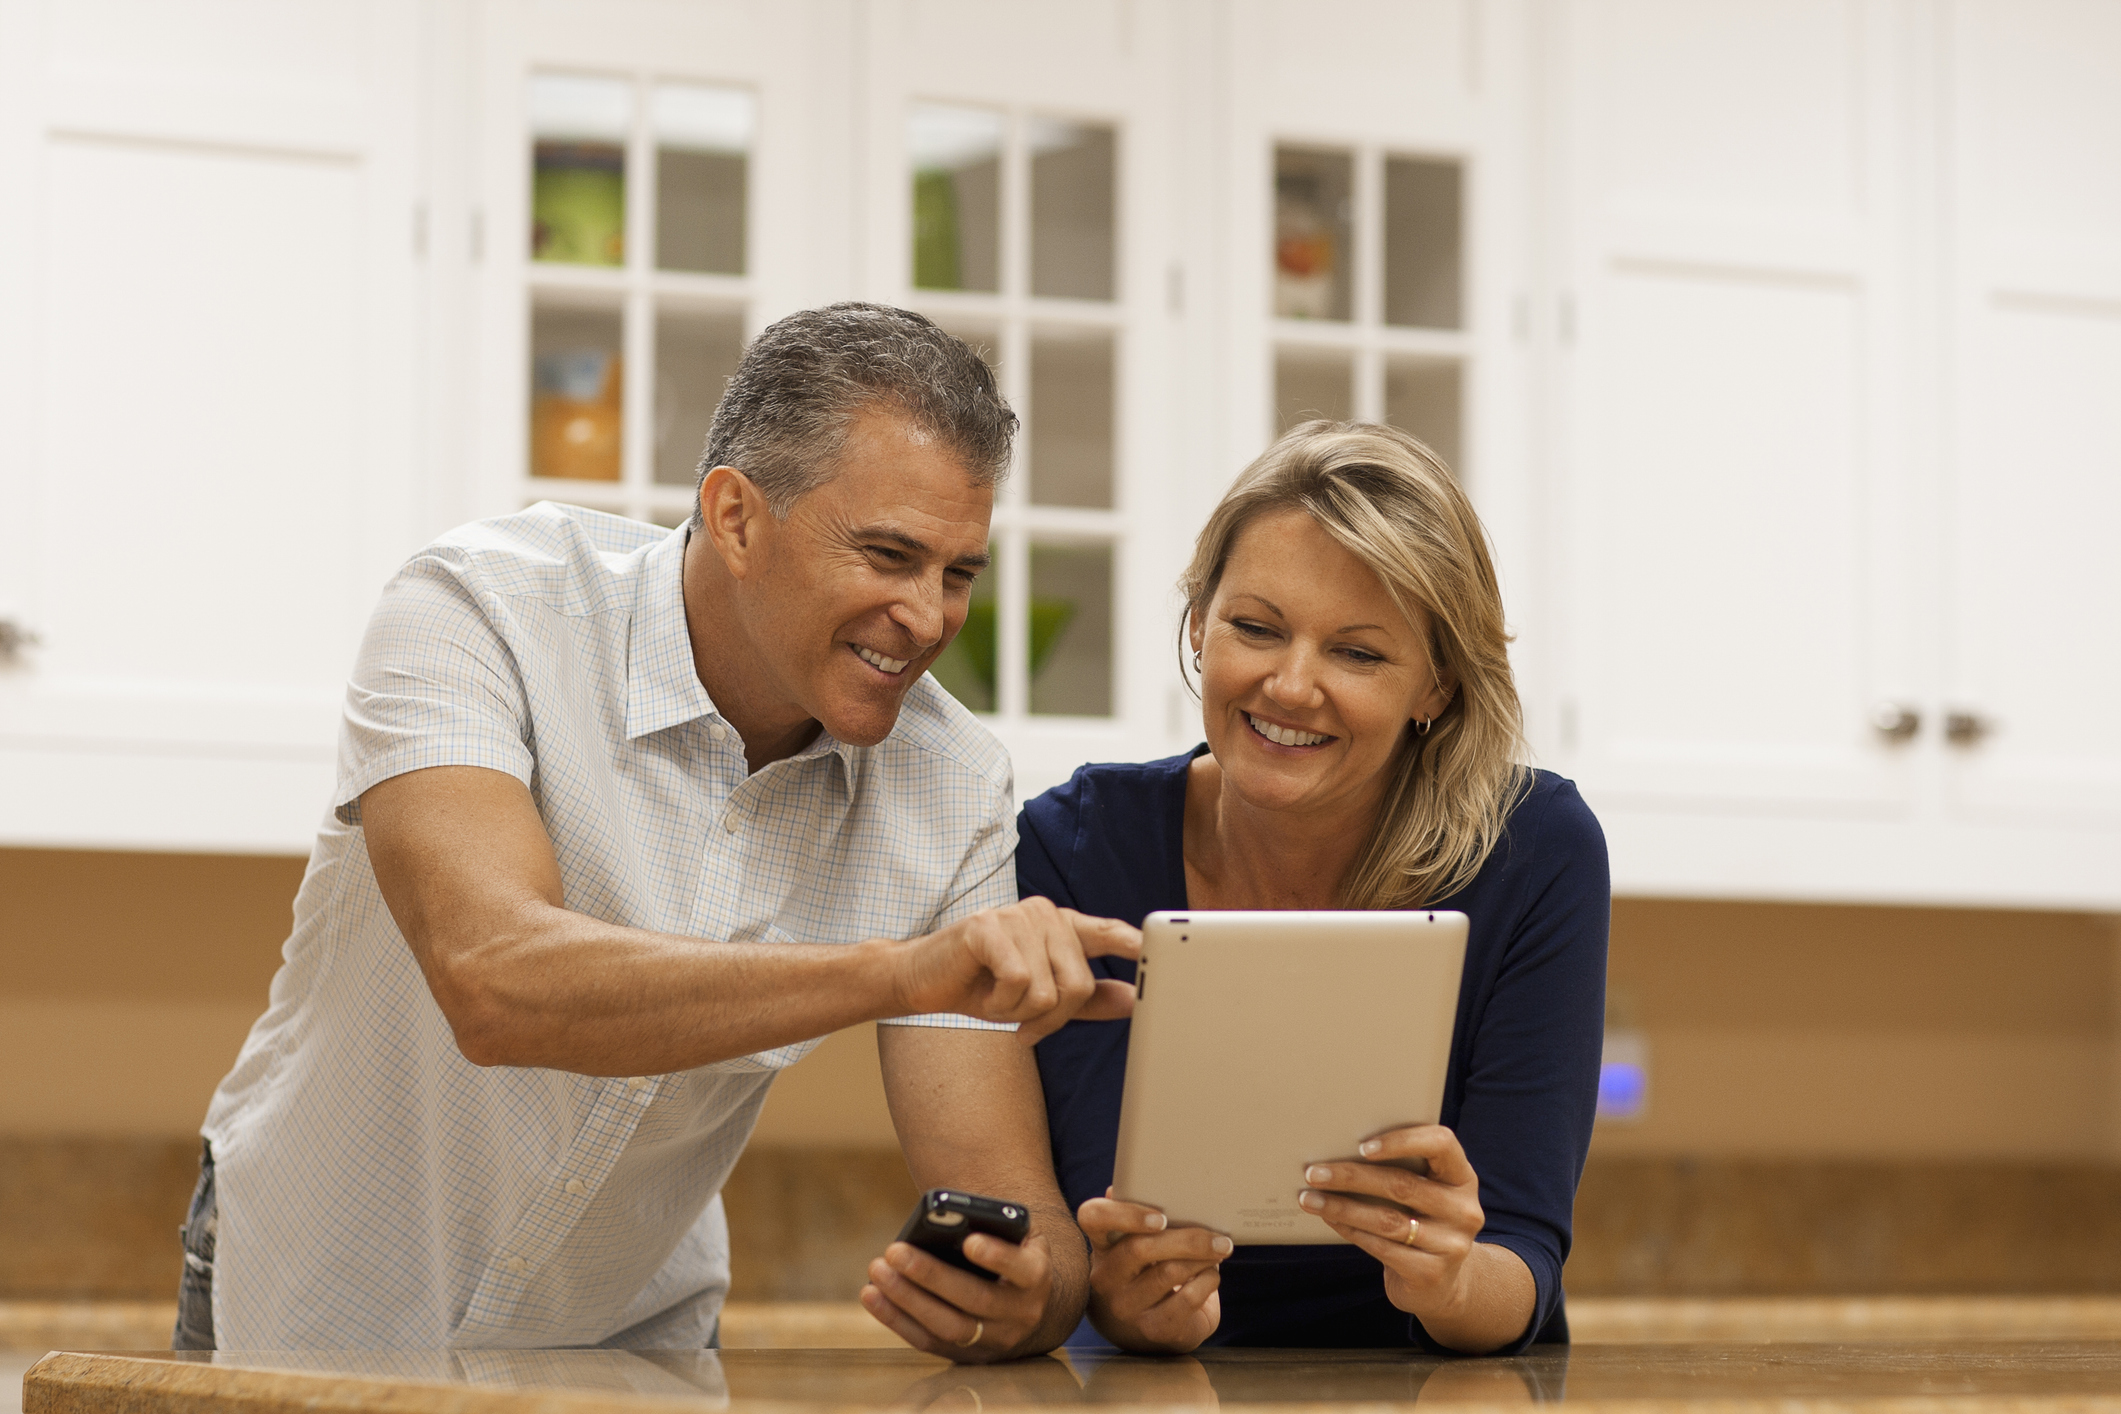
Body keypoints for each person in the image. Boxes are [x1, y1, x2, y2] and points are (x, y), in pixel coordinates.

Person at [179, 303, 1136, 1356]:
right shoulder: (478, 610)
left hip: (620, 1346)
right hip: (315, 1305)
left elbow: (1018, 1209)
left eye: (957, 574)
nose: (926, 616)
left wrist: (1027, 1294)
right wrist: (902, 972)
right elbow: (493, 979)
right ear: (734, 516)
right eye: (888, 554)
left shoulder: (951, 787)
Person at [1020, 422, 1608, 1355]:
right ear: (1196, 626)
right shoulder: (1070, 848)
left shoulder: (1532, 851)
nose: (1290, 686)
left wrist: (1450, 1279)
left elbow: (1521, 1258)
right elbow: (1094, 1232)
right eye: (1254, 628)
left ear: (1437, 689)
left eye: (1359, 654)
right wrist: (1126, 1301)